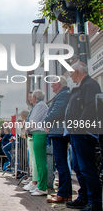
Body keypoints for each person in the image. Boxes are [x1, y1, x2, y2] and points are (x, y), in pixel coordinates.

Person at [65, 62, 102, 211]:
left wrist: (78, 125)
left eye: (71, 73)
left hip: (83, 133)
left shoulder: (90, 85)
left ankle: (95, 203)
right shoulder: (83, 85)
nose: (70, 76)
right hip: (77, 133)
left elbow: (90, 107)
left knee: (87, 167)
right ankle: (84, 198)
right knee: (79, 167)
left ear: (76, 71)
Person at [44, 76, 72, 203]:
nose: (51, 85)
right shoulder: (63, 94)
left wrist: (45, 122)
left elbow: (57, 111)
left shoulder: (63, 94)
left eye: (53, 83)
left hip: (59, 132)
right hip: (58, 131)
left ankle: (63, 194)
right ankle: (65, 193)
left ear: (59, 83)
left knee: (61, 163)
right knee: (61, 163)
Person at [26, 89, 48, 196]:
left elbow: (33, 120)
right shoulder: (39, 105)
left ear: (35, 97)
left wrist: (27, 128)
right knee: (39, 161)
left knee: (40, 161)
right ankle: (40, 185)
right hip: (37, 133)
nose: (31, 98)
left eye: (32, 96)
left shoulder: (40, 106)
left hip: (39, 133)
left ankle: (42, 187)